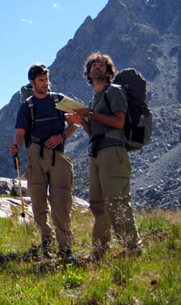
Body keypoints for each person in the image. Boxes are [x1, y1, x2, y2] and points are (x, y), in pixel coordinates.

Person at [65, 52, 142, 261]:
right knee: (97, 203)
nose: (97, 67)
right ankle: (100, 250)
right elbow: (95, 131)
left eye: (102, 65)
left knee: (117, 200)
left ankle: (132, 249)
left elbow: (118, 122)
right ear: (88, 73)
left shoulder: (114, 91)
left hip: (113, 151)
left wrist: (89, 113)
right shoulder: (96, 98)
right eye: (93, 66)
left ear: (108, 72)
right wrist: (81, 121)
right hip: (97, 152)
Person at [9, 63, 77, 260]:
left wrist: (61, 137)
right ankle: (47, 239)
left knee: (61, 202)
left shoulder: (59, 100)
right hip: (36, 154)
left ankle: (65, 247)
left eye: (46, 79)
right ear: (32, 82)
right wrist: (16, 146)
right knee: (38, 203)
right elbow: (20, 133)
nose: (45, 83)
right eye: (41, 80)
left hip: (58, 155)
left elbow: (75, 122)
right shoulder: (26, 106)